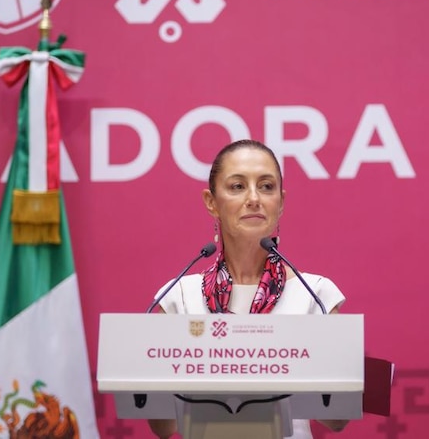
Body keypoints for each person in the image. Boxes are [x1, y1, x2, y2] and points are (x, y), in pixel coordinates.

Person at [148, 139, 348, 439]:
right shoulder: (176, 297)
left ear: (281, 202)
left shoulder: (316, 294)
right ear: (211, 201)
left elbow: (336, 419)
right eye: (237, 186)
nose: (254, 198)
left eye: (267, 187)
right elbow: (163, 428)